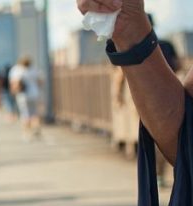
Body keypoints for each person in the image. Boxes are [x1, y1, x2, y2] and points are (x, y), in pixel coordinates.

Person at [76, 0, 190, 168]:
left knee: (149, 127)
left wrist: (116, 95)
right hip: (173, 90)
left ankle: (143, 158)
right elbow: (179, 64)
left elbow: (119, 75)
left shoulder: (135, 41)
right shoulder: (166, 44)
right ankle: (158, 168)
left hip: (138, 89)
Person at [9, 55, 43, 141]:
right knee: (34, 112)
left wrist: (13, 92)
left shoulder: (17, 70)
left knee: (25, 114)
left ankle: (27, 133)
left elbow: (15, 83)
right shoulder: (34, 69)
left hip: (23, 95)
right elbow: (40, 81)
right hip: (34, 94)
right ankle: (36, 127)